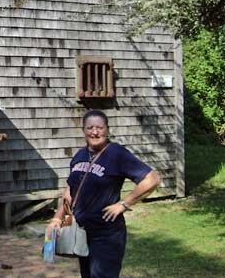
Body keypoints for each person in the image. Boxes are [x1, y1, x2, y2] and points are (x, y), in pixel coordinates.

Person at [46, 109, 161, 278]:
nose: (94, 132)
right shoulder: (80, 155)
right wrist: (57, 218)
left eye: (99, 127)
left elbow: (152, 179)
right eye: (90, 128)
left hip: (107, 235)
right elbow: (70, 190)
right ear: (83, 130)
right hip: (82, 232)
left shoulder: (116, 153)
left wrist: (124, 204)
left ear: (107, 129)